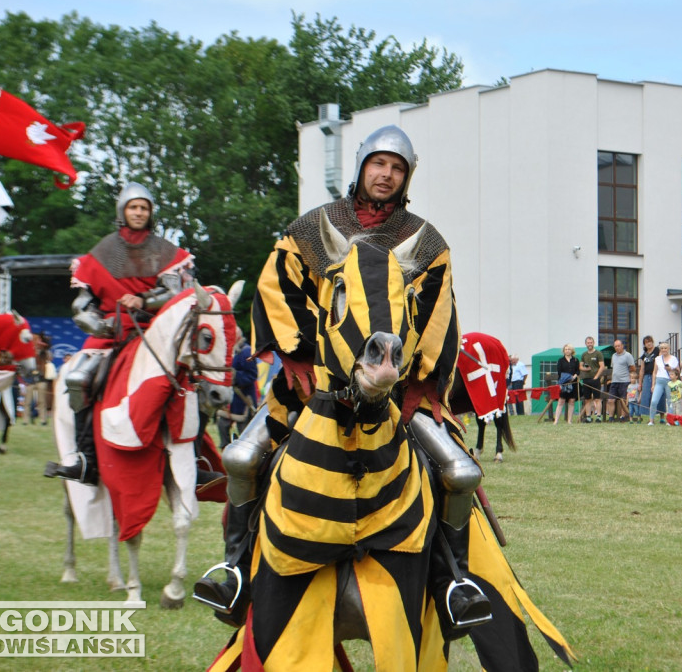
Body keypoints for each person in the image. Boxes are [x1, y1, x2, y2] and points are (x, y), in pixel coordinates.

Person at [199, 126, 491, 633]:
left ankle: (452, 582)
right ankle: (235, 569)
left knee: (456, 470)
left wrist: (417, 381)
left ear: (406, 178)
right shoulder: (312, 229)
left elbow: (438, 314)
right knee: (243, 457)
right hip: (316, 382)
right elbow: (276, 289)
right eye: (379, 164)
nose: (386, 175)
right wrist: (296, 359)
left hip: (393, 387)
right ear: (361, 168)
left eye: (397, 168)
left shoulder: (424, 242)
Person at [45, 182, 194, 485]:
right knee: (78, 379)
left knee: (192, 380)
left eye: (144, 207)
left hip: (155, 332)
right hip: (110, 334)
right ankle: (86, 460)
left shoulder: (166, 252)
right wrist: (100, 325)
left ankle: (197, 457)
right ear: (122, 211)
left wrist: (144, 300)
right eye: (133, 207)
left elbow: (178, 293)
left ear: (151, 213)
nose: (138, 212)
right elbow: (82, 306)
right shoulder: (100, 254)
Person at [216, 328, 258, 447]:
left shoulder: (246, 351)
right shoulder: (226, 351)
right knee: (222, 426)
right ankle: (225, 451)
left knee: (245, 436)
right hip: (228, 401)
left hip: (243, 399)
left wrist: (234, 375)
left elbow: (252, 376)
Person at [605, 339, 635, 422]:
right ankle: (611, 417)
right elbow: (613, 367)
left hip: (624, 381)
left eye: (618, 346)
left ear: (622, 346)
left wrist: (628, 376)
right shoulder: (613, 356)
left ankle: (623, 417)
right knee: (610, 400)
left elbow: (633, 368)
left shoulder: (628, 355)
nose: (617, 348)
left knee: (623, 400)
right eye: (615, 346)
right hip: (614, 381)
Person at [648, 342, 678, 425]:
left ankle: (670, 420)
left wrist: (670, 369)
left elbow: (678, 370)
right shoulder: (657, 359)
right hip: (659, 380)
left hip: (669, 381)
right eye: (662, 348)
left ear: (669, 349)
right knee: (654, 401)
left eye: (665, 348)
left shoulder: (673, 359)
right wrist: (653, 384)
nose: (664, 350)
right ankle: (651, 420)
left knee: (670, 401)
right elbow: (654, 372)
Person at [578, 336, 606, 422]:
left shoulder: (598, 353)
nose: (589, 344)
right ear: (586, 344)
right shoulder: (584, 354)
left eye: (591, 342)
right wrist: (585, 369)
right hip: (586, 379)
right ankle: (588, 417)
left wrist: (596, 377)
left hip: (595, 379)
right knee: (587, 399)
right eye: (588, 343)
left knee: (597, 399)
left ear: (593, 343)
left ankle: (598, 417)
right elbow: (580, 366)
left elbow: (602, 366)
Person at [634, 336, 659, 422]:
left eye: (650, 341)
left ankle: (661, 417)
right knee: (646, 396)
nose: (649, 343)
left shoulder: (657, 351)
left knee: (656, 397)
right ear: (644, 344)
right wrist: (640, 383)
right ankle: (649, 418)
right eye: (646, 342)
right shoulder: (644, 355)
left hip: (656, 376)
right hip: (647, 376)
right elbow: (642, 370)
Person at [555, 343, 580, 425]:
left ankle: (569, 421)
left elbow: (577, 371)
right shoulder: (560, 360)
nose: (567, 351)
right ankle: (556, 421)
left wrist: (574, 376)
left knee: (572, 401)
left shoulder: (576, 360)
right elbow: (559, 372)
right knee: (561, 401)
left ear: (572, 350)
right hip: (564, 383)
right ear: (563, 351)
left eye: (568, 349)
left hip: (573, 383)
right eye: (565, 349)